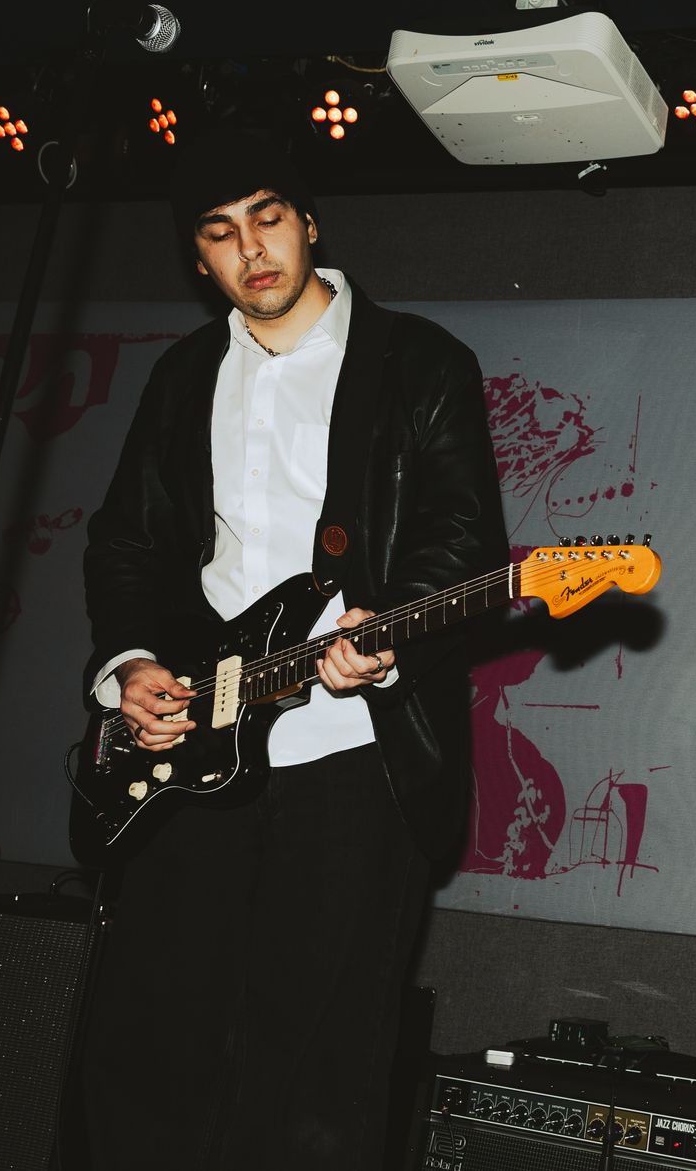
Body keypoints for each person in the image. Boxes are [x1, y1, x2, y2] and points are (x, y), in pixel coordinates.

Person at [78, 129, 507, 1170]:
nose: (251, 248)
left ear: (310, 223)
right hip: (196, 754)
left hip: (352, 754)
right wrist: (131, 664)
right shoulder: (184, 375)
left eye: (268, 218)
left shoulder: (418, 362)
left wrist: (386, 631)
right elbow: (127, 541)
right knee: (156, 1047)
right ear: (198, 257)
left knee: (318, 1072)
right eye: (220, 232)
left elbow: (462, 540)